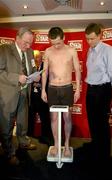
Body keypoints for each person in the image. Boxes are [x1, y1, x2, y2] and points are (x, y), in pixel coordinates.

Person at [0, 27, 39, 165]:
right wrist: (17, 77)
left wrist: (36, 75)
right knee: (7, 125)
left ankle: (23, 142)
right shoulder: (4, 49)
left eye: (30, 43)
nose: (28, 46)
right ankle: (8, 152)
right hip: (8, 94)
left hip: (24, 92)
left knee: (23, 121)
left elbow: (32, 68)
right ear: (17, 38)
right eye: (25, 43)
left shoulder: (29, 52)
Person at [84, 23, 112, 162]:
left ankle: (104, 154)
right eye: (87, 39)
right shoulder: (90, 50)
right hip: (91, 89)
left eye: (92, 38)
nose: (89, 42)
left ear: (100, 35)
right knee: (93, 121)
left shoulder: (108, 50)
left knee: (102, 123)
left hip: (102, 90)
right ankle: (96, 146)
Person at [41, 27, 81, 157]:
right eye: (53, 43)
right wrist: (43, 90)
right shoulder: (47, 51)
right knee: (53, 117)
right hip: (52, 88)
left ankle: (67, 144)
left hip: (67, 88)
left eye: (58, 43)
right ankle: (57, 144)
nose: (56, 46)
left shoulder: (71, 50)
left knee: (67, 117)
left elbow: (78, 70)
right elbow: (45, 72)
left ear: (63, 38)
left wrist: (78, 89)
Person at [28, 50, 52, 144]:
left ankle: (46, 136)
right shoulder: (30, 67)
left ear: (41, 57)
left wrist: (41, 84)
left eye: (37, 57)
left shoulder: (46, 67)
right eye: (34, 57)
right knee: (30, 117)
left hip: (43, 96)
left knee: (45, 117)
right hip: (32, 96)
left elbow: (50, 79)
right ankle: (29, 136)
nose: (35, 59)